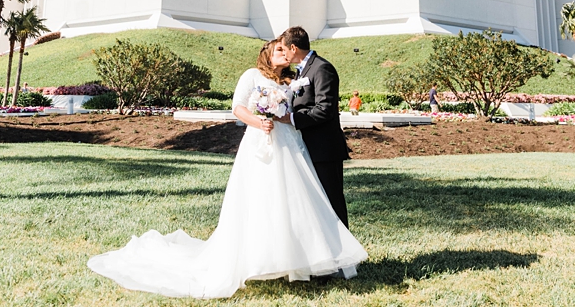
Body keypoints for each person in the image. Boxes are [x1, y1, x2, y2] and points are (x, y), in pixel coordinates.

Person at [87, 39, 366, 298]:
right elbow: (238, 108)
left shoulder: (291, 80)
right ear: (267, 55)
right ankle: (256, 259)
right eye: (279, 50)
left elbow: (294, 111)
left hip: (290, 145)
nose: (285, 54)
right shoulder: (251, 76)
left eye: (286, 50)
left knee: (293, 200)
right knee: (259, 199)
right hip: (259, 143)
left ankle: (295, 259)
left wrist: (281, 117)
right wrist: (260, 122)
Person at [278, 25, 351, 228]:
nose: (283, 54)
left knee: (332, 201)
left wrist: (291, 119)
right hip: (305, 147)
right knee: (315, 204)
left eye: (284, 49)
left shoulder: (322, 68)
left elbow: (325, 109)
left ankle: (345, 253)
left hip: (324, 148)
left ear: (293, 47)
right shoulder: (300, 72)